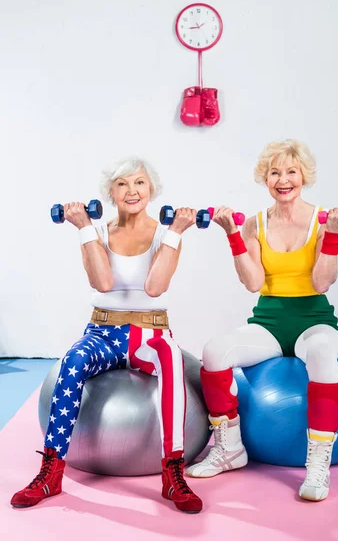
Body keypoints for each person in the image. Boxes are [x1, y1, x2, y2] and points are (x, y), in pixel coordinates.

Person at [11, 157, 202, 514]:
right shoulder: (97, 233)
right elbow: (103, 283)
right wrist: (83, 225)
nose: (132, 191)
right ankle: (51, 471)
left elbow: (155, 287)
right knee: (72, 360)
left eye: (140, 183)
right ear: (110, 193)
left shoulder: (165, 233)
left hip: (151, 332)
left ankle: (172, 472)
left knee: (173, 360)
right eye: (123, 184)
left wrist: (176, 231)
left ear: (152, 189)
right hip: (103, 332)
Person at [187, 139, 338, 502]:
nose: (283, 179)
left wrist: (335, 234)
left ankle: (318, 466)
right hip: (269, 322)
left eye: (291, 171)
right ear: (265, 178)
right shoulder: (256, 224)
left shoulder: (323, 221)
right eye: (275, 172)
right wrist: (233, 234)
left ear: (303, 176)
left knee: (323, 354)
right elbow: (254, 283)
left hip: (314, 320)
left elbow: (322, 282)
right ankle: (229, 449)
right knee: (214, 351)